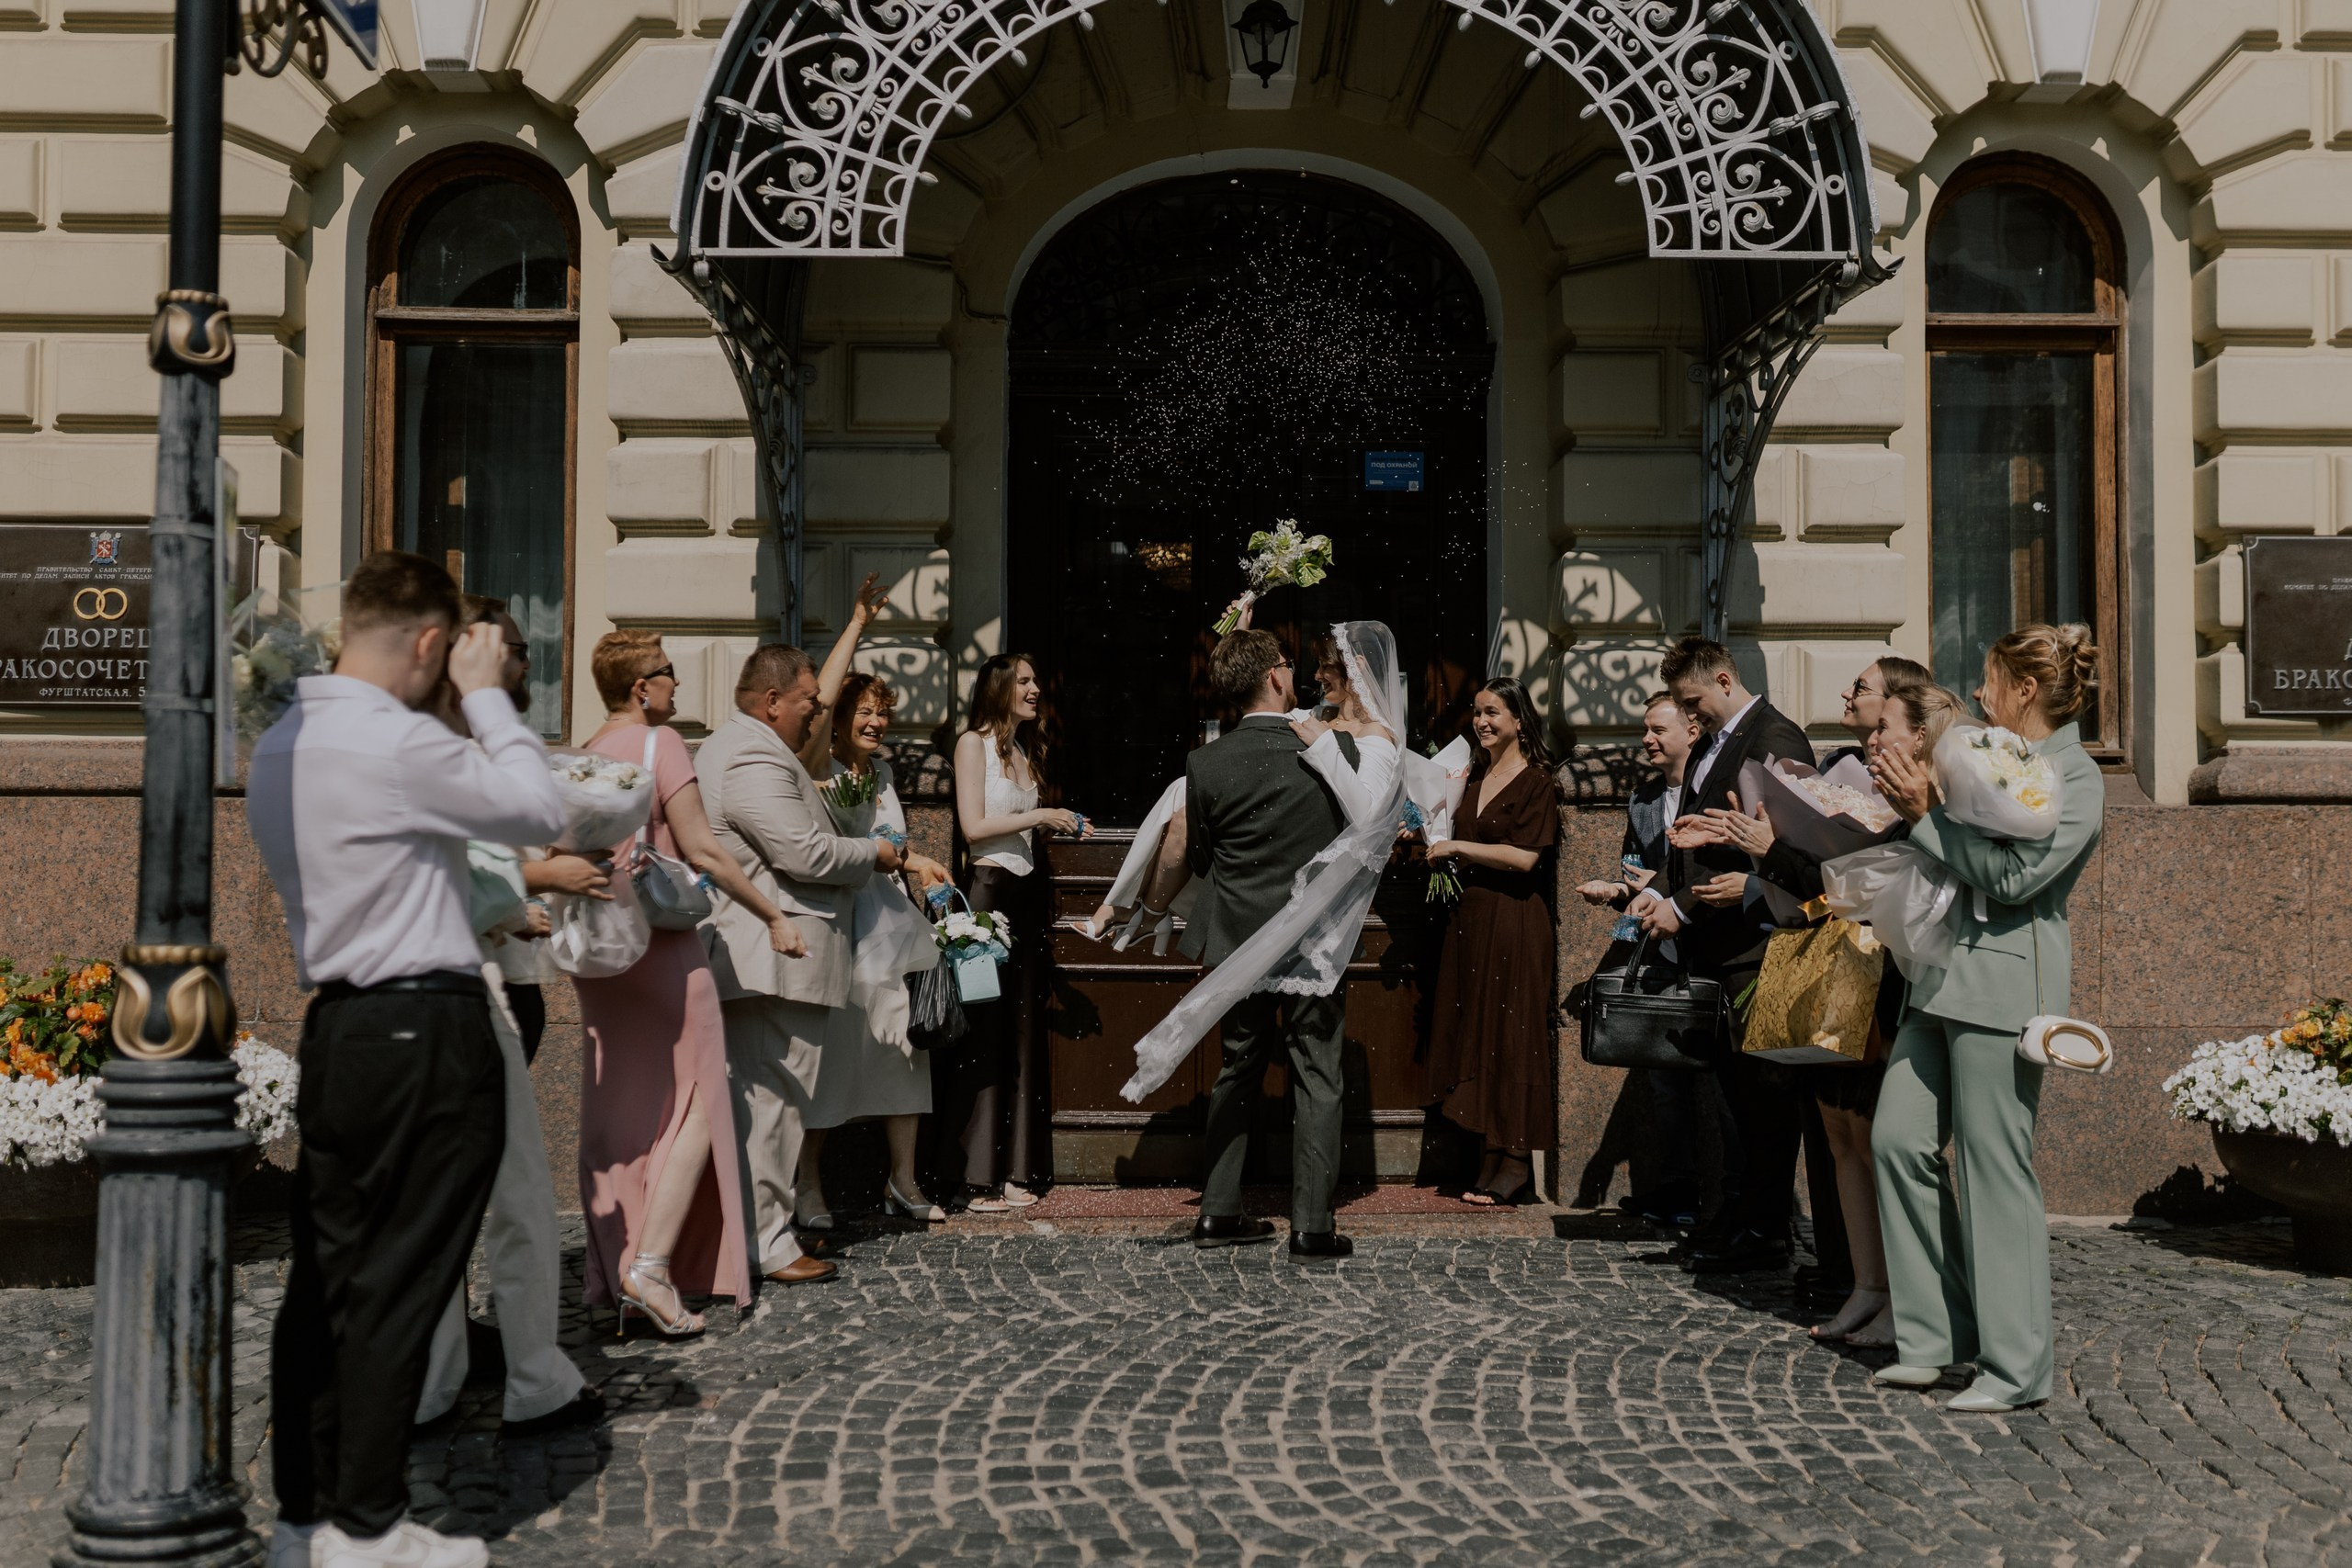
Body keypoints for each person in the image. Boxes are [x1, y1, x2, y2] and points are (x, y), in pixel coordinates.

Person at [251, 550, 566, 1568]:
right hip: (421, 1023)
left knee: (326, 1284)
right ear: (431, 643)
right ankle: (368, 1526)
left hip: (337, 1026)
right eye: (448, 657)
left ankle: (306, 1512)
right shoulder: (389, 740)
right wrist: (488, 701)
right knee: (401, 1284)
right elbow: (538, 812)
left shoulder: (286, 739)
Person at [1870, 625, 2104, 1413]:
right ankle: (1937, 1341)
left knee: (1994, 1168)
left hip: (2005, 986)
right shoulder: (1985, 753)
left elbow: (2013, 879)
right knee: (1896, 1138)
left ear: (2027, 690)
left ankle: (2017, 1368)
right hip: (1938, 979)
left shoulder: (2077, 776)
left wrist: (1927, 816)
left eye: (1991, 681)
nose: (1979, 692)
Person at [574, 630, 808, 1335]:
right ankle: (650, 1265)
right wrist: (771, 913)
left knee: (621, 1107)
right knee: (705, 1098)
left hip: (602, 948)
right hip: (662, 945)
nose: (677, 684)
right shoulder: (660, 743)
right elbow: (703, 846)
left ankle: (617, 1263)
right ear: (642, 687)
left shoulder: (586, 750)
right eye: (668, 673)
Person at [413, 595, 598, 1439]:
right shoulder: (450, 742)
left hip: (400, 993)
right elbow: (497, 853)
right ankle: (532, 1378)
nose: (517, 666)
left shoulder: (396, 738)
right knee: (515, 1194)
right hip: (465, 981)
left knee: (438, 1198)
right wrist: (529, 883)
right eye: (503, 653)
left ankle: (438, 1376)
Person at [1118, 621, 1411, 1106]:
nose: (1316, 676)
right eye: (1307, 667)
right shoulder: (1314, 716)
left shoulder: (1372, 736)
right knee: (1249, 1065)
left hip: (1319, 920)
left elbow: (1368, 818)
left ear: (1356, 670)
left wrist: (1321, 744)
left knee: (1302, 1069)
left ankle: (1140, 911)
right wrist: (1242, 640)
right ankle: (1129, 905)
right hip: (1260, 914)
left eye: (1325, 667)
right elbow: (1262, 706)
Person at [697, 642, 899, 1282]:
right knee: (775, 1102)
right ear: (772, 701)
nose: (819, 711)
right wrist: (874, 853)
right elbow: (804, 853)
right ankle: (769, 1242)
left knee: (770, 1098)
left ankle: (759, 1234)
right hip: (775, 956)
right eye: (811, 700)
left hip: (776, 958)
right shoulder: (754, 753)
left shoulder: (751, 747)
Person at [1164, 628, 1361, 1257]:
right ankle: (1312, 1224)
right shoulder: (1329, 750)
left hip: (1238, 940)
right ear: (1276, 677)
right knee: (1318, 1073)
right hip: (1314, 939)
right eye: (1287, 663)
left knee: (1237, 1069)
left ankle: (1219, 1212)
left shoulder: (1206, 761)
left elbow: (1197, 856)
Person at [1636, 636, 1815, 1275]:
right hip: (1715, 947)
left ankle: (1764, 1230)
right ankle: (1731, 1219)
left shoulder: (1777, 736)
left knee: (1760, 1101)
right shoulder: (1714, 742)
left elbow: (1792, 846)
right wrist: (1669, 879)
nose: (1692, 716)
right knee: (1728, 1099)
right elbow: (1719, 832)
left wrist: (1685, 903)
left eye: (1694, 701)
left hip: (1754, 943)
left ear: (1722, 678)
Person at [803, 666, 956, 1224]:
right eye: (863, 710)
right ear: (837, 720)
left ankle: (903, 1180)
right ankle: (808, 1186)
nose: (875, 720)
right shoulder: (819, 769)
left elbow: (894, 844)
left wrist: (923, 869)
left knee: (903, 1049)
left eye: (881, 711)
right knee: (833, 1054)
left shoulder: (886, 773)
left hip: (892, 922)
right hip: (843, 923)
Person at [935, 653, 1086, 1213]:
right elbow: (974, 827)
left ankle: (1017, 1169)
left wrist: (1061, 824)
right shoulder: (971, 744)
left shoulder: (1023, 750)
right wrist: (1041, 816)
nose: (1035, 687)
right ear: (998, 688)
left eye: (1034, 678)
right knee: (983, 1032)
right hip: (985, 900)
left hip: (1023, 898)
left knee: (1021, 1034)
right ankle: (972, 1176)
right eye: (1024, 680)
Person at [1574, 691, 1729, 1229]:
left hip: (1712, 952)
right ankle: (1677, 1193)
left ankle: (1732, 1206)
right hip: (1658, 955)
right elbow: (1634, 876)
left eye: (1658, 729)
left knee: (1724, 1087)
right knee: (1664, 1083)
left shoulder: (1711, 792)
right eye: (1645, 730)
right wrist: (1616, 897)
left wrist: (1660, 890)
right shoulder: (1642, 801)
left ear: (1692, 729)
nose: (1647, 739)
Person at [1423, 677, 1560, 1205]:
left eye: (1493, 713)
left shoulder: (1537, 781)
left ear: (1519, 721)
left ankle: (1517, 1159)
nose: (1481, 721)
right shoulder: (1475, 777)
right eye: (1477, 713)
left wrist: (1458, 844)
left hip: (1516, 920)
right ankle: (1490, 1151)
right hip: (1472, 919)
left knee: (1512, 1034)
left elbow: (1526, 858)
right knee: (1478, 1032)